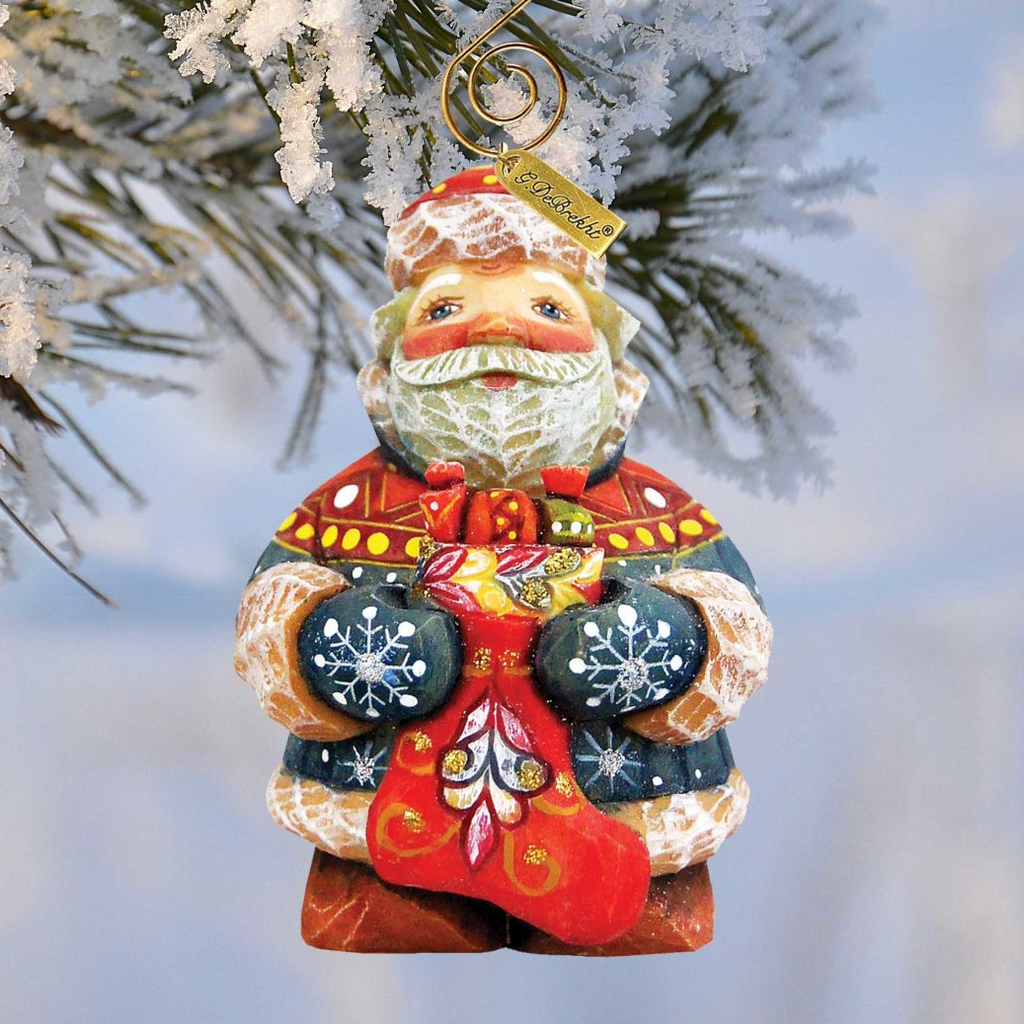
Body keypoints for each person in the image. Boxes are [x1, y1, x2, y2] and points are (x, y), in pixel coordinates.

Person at [234, 166, 772, 953]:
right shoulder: (353, 508)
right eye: (445, 307)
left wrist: (671, 644)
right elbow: (271, 608)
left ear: (606, 363)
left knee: (631, 893)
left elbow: (735, 615)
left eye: (547, 308)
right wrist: (331, 646)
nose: (497, 331)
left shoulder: (650, 510)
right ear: (390, 368)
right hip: (385, 813)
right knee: (385, 893)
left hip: (620, 804)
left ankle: (635, 897)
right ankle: (400, 897)